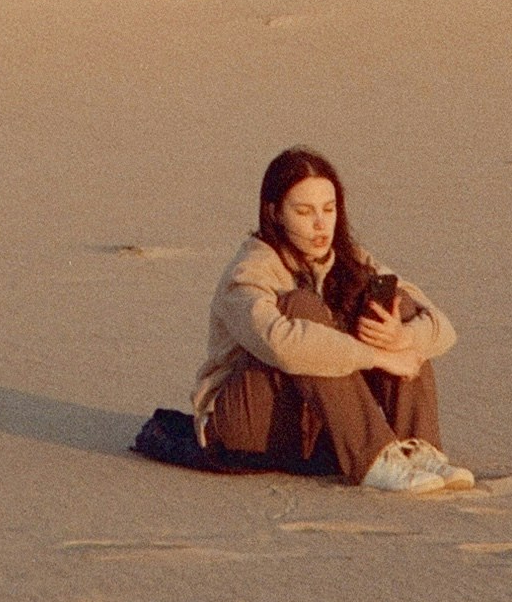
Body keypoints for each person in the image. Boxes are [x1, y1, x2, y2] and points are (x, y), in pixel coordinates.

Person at [193, 147, 473, 495]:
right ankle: (373, 458)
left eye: (329, 209)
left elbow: (443, 328)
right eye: (304, 211)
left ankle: (418, 448)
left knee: (393, 307)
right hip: (245, 425)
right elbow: (282, 344)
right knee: (300, 309)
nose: (320, 224)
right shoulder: (250, 271)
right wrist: (380, 357)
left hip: (317, 420)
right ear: (275, 213)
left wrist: (401, 338)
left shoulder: (350, 259)